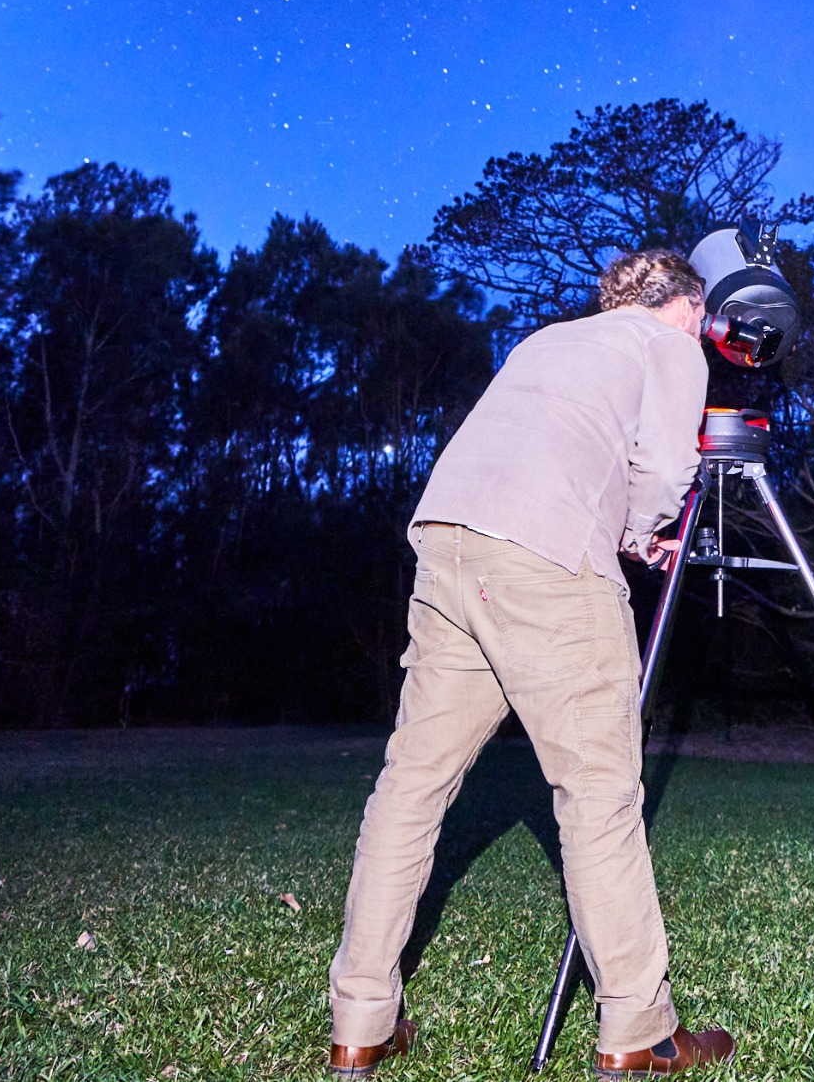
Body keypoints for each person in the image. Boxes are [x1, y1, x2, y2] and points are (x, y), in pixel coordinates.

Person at [325, 247, 738, 1076]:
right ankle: (640, 1029)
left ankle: (360, 1019)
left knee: (410, 786)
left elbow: (553, 443)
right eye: (704, 316)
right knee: (599, 794)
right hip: (545, 559)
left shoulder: (547, 340)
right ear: (686, 304)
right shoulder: (670, 344)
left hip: (448, 538)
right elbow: (662, 470)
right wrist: (643, 529)